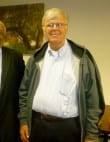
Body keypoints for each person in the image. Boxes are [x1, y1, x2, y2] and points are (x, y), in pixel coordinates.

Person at [18, 8, 105, 142]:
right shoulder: (35, 59)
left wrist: (91, 135)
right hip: (37, 126)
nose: (54, 28)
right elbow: (24, 92)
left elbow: (92, 99)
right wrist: (24, 120)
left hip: (69, 129)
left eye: (59, 24)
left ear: (66, 27)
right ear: (43, 29)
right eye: (50, 25)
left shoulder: (82, 58)